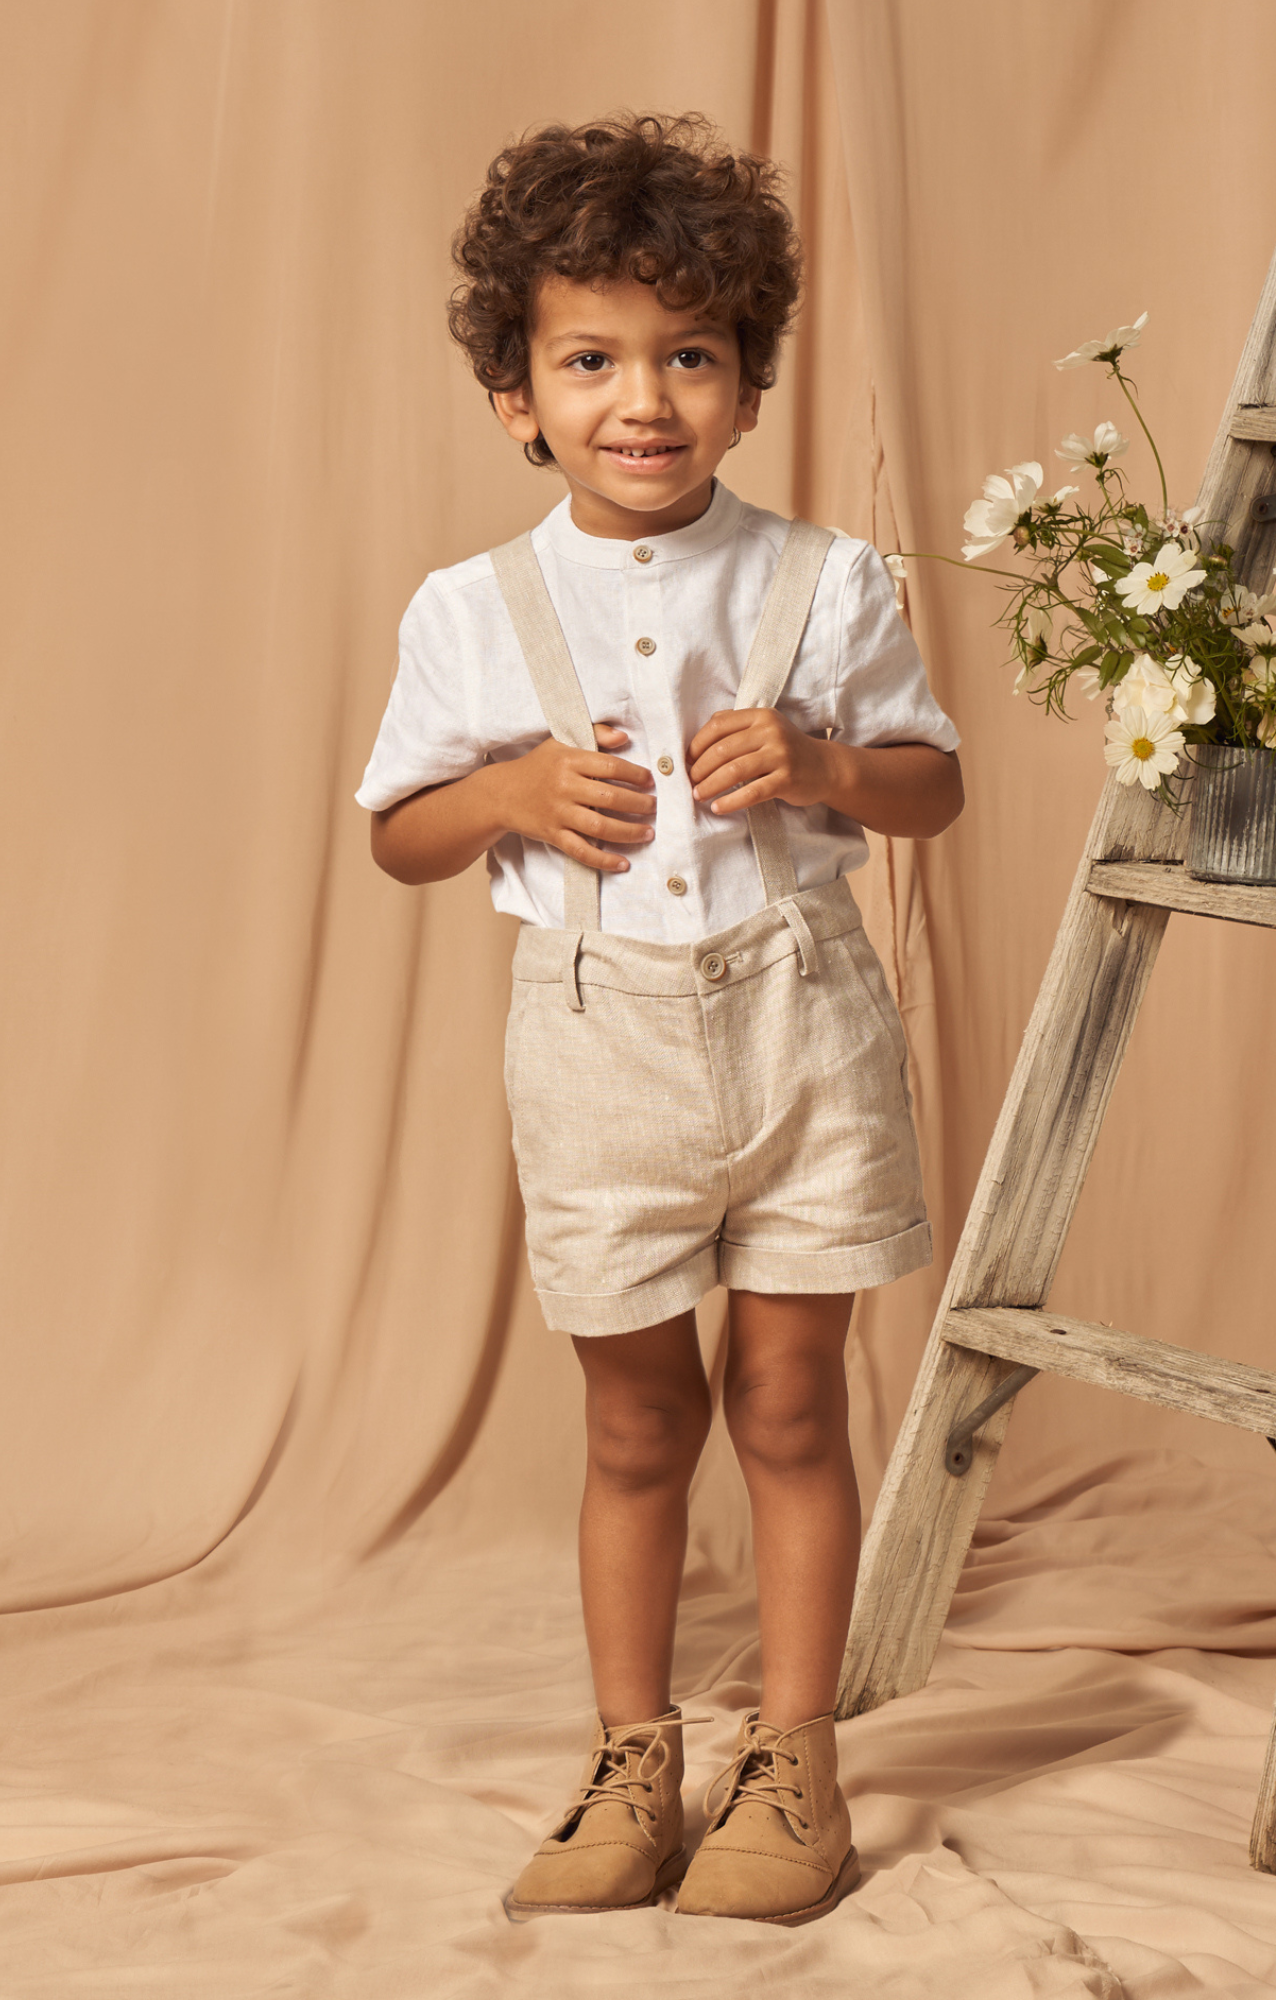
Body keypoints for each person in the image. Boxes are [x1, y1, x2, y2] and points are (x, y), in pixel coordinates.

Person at [356, 112, 962, 1928]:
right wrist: (517, 797)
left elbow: (930, 793)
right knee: (637, 1424)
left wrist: (830, 762)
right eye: (591, 359)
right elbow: (397, 834)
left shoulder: (824, 579)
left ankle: (794, 1758)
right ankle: (635, 1753)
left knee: (788, 1401)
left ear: (748, 382)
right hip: (596, 1038)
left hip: (803, 1029)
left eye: (688, 356)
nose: (643, 399)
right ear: (515, 396)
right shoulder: (473, 612)